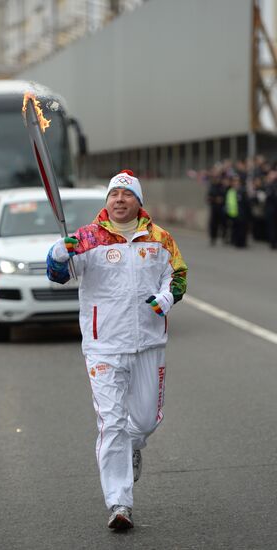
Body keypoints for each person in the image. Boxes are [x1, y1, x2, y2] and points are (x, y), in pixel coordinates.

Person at [46, 169, 188, 530]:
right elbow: (58, 275)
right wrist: (58, 255)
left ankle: (133, 447)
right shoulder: (87, 238)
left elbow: (179, 275)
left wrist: (167, 297)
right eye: (114, 195)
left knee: (143, 423)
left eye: (127, 195)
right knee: (112, 424)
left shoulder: (160, 239)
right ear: (107, 201)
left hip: (148, 343)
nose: (119, 200)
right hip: (103, 346)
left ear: (138, 202)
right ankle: (119, 503)